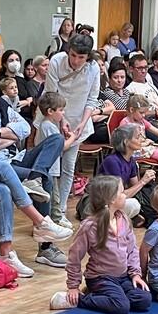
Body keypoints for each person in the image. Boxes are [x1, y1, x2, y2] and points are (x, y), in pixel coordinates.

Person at [0, 64, 73, 275]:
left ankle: (34, 180)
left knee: (55, 141)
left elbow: (25, 129)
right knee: (6, 188)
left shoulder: (0, 102)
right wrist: (9, 136)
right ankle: (40, 245)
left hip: (13, 159)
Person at [51, 176, 151, 314]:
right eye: (121, 192)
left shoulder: (124, 219)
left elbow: (132, 249)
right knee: (121, 307)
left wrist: (135, 274)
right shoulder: (90, 226)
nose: (125, 195)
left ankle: (107, 295)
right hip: (100, 277)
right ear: (111, 199)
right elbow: (74, 257)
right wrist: (73, 286)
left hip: (122, 277)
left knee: (144, 299)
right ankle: (81, 299)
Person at [45, 32, 101, 219]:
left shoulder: (93, 68)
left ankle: (60, 211)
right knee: (51, 168)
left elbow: (92, 99)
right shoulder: (56, 61)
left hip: (78, 121)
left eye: (81, 57)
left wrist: (82, 123)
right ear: (68, 51)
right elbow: (50, 94)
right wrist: (62, 120)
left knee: (68, 168)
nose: (76, 61)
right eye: (73, 55)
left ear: (88, 57)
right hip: (52, 117)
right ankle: (48, 210)